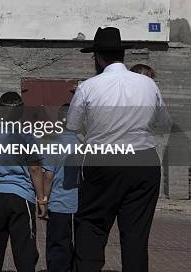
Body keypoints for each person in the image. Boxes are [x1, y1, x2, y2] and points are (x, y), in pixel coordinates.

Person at [67, 27, 170, 272]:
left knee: (92, 228)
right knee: (136, 237)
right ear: (121, 55)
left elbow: (72, 126)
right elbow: (164, 123)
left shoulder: (89, 86)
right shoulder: (148, 84)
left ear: (98, 58)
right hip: (144, 162)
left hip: (104, 160)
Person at [0, 91, 47, 272]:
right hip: (21, 198)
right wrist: (41, 200)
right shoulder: (26, 136)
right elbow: (35, 169)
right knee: (24, 249)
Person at [42, 104, 83, 272]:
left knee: (58, 244)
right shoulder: (83, 144)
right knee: (78, 244)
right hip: (79, 203)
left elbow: (48, 176)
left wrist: (43, 201)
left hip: (58, 203)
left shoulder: (54, 144)